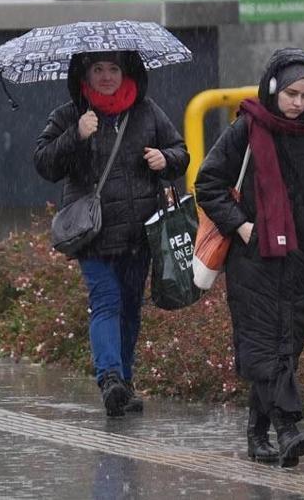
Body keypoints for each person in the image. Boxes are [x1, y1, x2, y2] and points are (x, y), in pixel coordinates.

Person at [195, 48, 304, 467]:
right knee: (265, 349)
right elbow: (208, 182)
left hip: (302, 264)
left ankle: (257, 434)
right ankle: (287, 430)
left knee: (286, 351)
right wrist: (243, 226)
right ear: (272, 89)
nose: (298, 103)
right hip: (254, 261)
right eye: (290, 93)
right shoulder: (246, 130)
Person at [34, 51, 189, 417]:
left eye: (114, 69)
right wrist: (75, 136)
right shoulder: (70, 114)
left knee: (131, 308)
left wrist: (166, 159)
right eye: (98, 69)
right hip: (95, 233)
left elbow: (181, 151)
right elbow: (43, 163)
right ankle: (109, 379)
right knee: (106, 301)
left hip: (140, 232)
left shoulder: (147, 110)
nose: (106, 76)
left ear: (126, 72)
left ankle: (124, 383)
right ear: (85, 74)